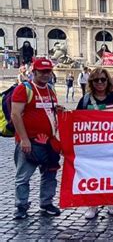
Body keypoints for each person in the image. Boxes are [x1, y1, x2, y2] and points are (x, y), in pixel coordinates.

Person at [10, 58, 62, 219]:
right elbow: (15, 114)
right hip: (30, 141)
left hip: (49, 141)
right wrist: (24, 139)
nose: (46, 75)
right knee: (23, 176)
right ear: (34, 72)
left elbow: (49, 111)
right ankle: (21, 206)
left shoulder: (51, 89)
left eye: (48, 71)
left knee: (49, 174)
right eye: (42, 71)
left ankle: (46, 203)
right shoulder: (24, 89)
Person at [76, 67, 113, 219]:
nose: (100, 83)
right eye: (96, 80)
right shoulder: (85, 100)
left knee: (110, 174)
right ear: (91, 82)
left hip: (111, 146)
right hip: (91, 147)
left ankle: (111, 202)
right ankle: (93, 205)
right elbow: (76, 121)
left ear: (107, 81)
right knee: (92, 175)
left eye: (103, 79)